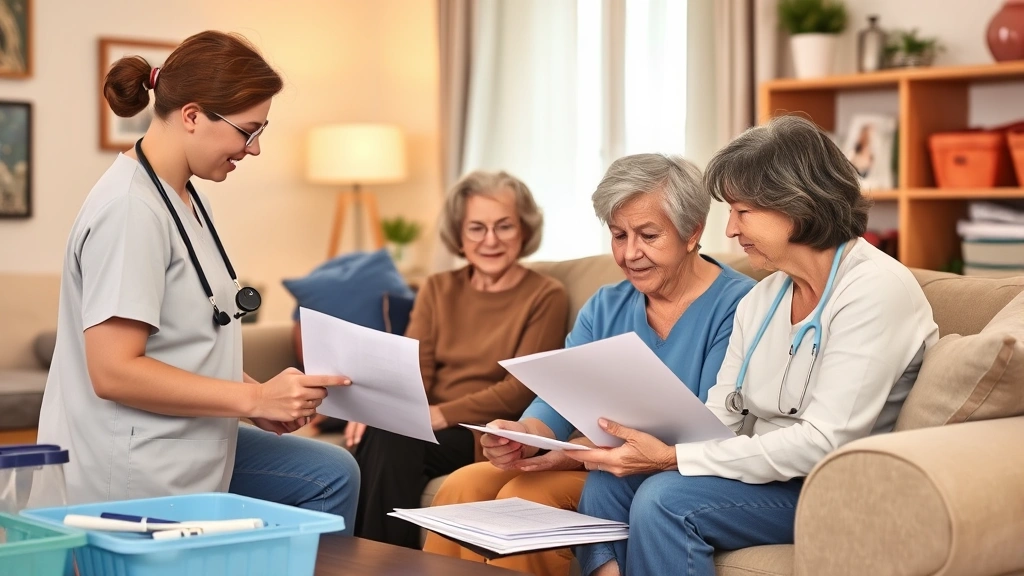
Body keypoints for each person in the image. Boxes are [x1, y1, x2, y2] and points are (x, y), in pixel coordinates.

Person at [569, 115, 939, 576]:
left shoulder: (874, 290)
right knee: (608, 486)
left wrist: (673, 459)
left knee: (665, 499)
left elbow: (824, 442)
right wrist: (648, 451)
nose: (729, 229)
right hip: (765, 473)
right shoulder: (764, 297)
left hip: (832, 484)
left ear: (796, 204)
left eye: (742, 212)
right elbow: (719, 417)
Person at [36, 31, 360, 533]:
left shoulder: (184, 196)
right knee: (325, 478)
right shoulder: (130, 210)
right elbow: (113, 372)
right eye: (247, 131)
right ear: (191, 116)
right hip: (130, 458)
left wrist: (261, 397)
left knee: (329, 472)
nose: (255, 149)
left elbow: (191, 340)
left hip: (182, 435)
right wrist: (253, 400)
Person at [423, 153, 756, 576]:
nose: (630, 253)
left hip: (664, 473)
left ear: (692, 232)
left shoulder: (738, 305)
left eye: (648, 235)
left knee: (530, 501)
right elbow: (556, 399)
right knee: (462, 485)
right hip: (599, 460)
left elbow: (701, 430)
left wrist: (570, 455)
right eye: (618, 235)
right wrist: (523, 435)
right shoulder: (605, 306)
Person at [351, 170, 570, 548]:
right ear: (459, 234)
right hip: (423, 426)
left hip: (481, 432)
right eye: (476, 228)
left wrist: (439, 414)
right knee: (383, 430)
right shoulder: (438, 288)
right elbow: (414, 368)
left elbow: (519, 390)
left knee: (391, 436)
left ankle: (371, 561)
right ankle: (378, 560)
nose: (490, 240)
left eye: (504, 226)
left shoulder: (546, 295)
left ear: (524, 229)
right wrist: (382, 408)